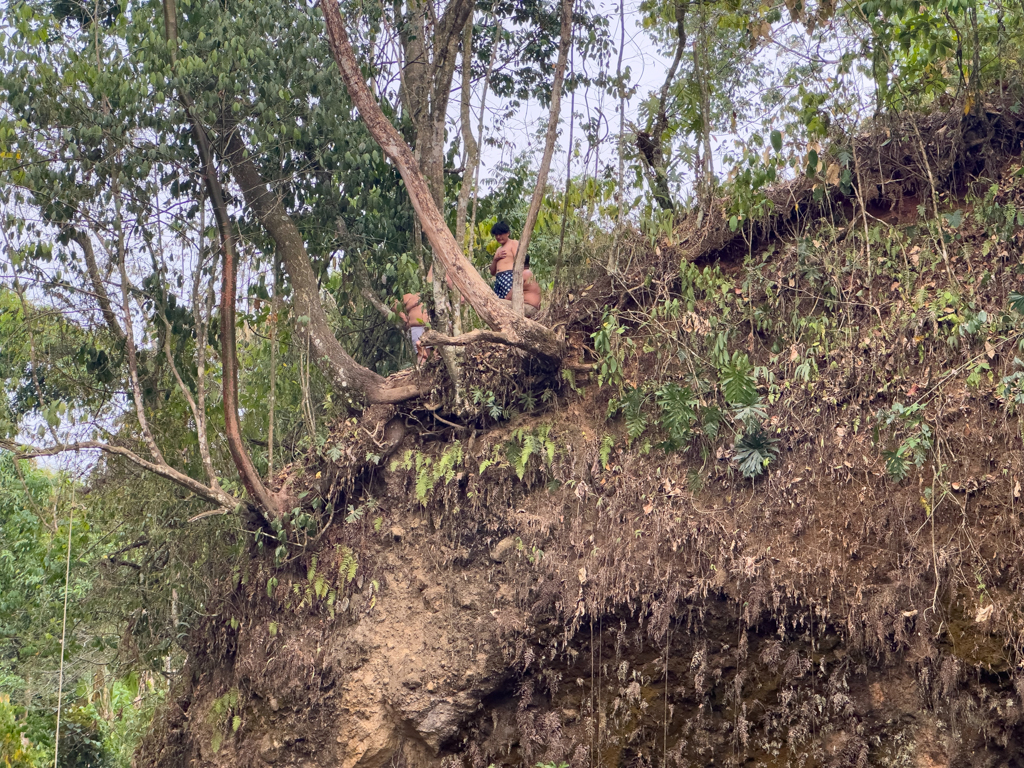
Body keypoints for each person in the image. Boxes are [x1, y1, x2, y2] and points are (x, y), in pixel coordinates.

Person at [489, 221, 519, 299]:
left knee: (509, 301)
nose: (498, 237)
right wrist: (495, 259)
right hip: (498, 279)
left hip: (509, 276)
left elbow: (519, 261)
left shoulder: (513, 243)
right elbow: (492, 272)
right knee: (499, 304)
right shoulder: (498, 249)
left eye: (501, 234)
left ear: (508, 233)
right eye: (496, 235)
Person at [397, 292, 429, 363]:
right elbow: (394, 305)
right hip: (416, 327)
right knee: (422, 354)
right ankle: (420, 371)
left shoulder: (429, 291)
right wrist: (405, 318)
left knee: (429, 354)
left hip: (430, 328)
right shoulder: (407, 295)